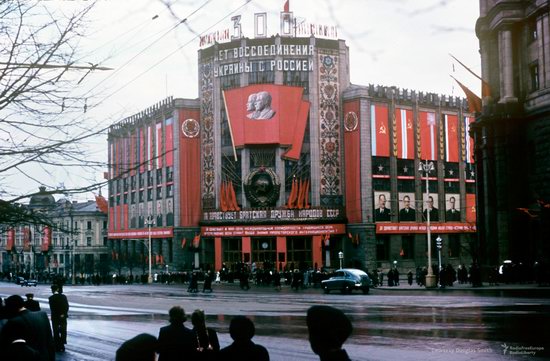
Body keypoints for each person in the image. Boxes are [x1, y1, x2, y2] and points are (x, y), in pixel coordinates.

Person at [0, 295, 55, 361]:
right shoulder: (42, 315)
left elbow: (5, 347)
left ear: (12, 307)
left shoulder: (13, 322)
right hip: (45, 356)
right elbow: (50, 342)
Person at [48, 284, 69, 352]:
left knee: (55, 331)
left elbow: (53, 309)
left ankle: (57, 344)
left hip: (55, 316)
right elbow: (66, 306)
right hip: (62, 316)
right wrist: (63, 314)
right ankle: (62, 343)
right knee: (63, 330)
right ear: (57, 289)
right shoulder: (63, 297)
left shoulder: (51, 298)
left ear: (52, 290)